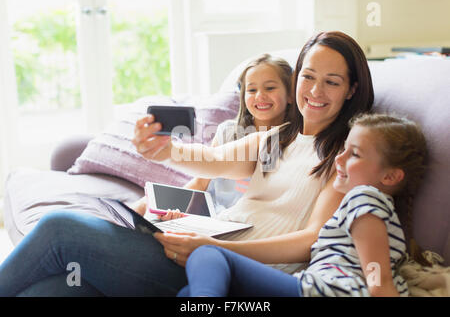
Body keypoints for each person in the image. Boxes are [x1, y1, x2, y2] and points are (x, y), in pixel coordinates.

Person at [0, 31, 374, 296]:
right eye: (308, 77)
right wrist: (163, 149)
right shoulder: (279, 139)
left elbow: (310, 241)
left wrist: (214, 249)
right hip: (199, 249)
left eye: (331, 82)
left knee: (59, 228)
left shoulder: (346, 155)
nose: (314, 91)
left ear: (352, 89)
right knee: (57, 288)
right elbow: (210, 161)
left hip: (234, 272)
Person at [178, 113, 428, 297]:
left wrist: (379, 288)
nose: (339, 158)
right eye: (345, 149)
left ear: (390, 177)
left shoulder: (365, 199)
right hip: (312, 286)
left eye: (355, 154)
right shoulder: (363, 206)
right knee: (189, 293)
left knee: (209, 254)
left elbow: (377, 278)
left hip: (323, 291)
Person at [131, 53, 294, 218]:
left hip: (236, 223)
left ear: (290, 94)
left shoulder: (292, 142)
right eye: (251, 90)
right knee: (145, 205)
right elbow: (201, 181)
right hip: (208, 215)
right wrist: (174, 207)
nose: (259, 95)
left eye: (270, 88)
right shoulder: (228, 131)